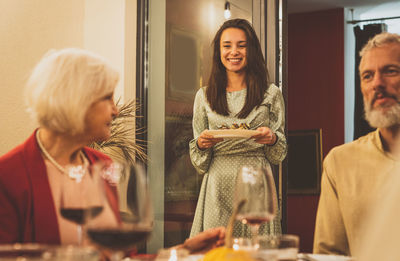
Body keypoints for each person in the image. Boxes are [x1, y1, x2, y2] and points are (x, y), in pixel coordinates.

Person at [0, 48, 225, 254]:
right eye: (108, 97)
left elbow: (122, 258)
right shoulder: (8, 177)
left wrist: (184, 251)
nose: (116, 110)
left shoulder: (103, 165)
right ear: (76, 100)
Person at [189, 18, 287, 238]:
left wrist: (272, 139)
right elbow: (199, 163)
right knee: (219, 250)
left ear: (251, 50)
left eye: (241, 45)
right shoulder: (203, 96)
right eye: (227, 46)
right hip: (217, 185)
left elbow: (278, 155)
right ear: (218, 52)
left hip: (256, 181)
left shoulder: (271, 94)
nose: (234, 52)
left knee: (257, 250)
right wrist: (202, 145)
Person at [313, 32, 400, 256]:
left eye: (390, 71)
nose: (377, 84)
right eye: (367, 76)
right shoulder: (339, 162)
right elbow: (328, 255)